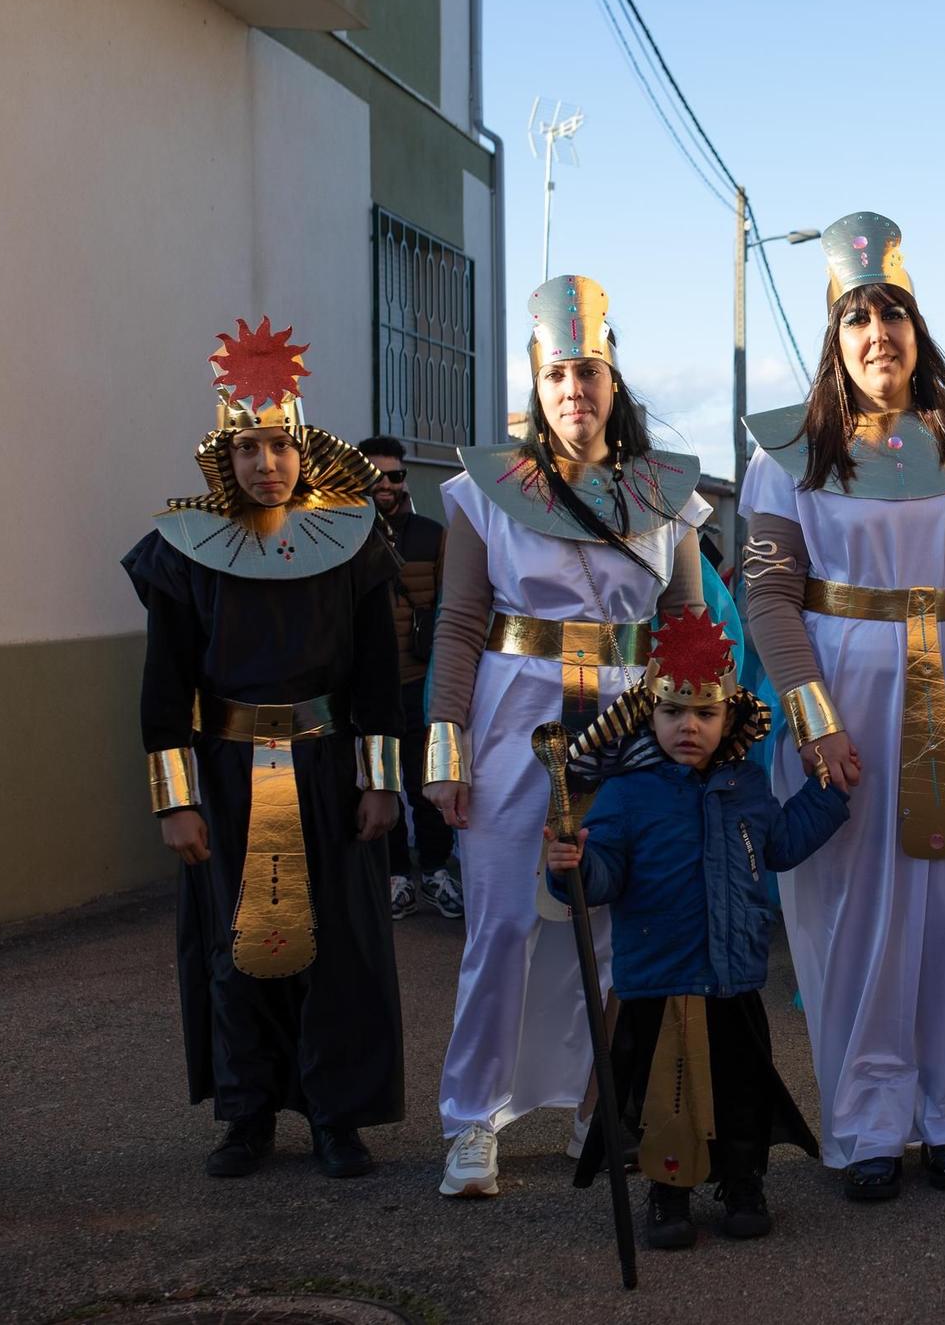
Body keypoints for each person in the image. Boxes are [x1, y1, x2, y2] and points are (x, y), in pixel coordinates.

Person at [738, 212, 945, 1200]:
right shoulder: (785, 454)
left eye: (892, 314)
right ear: (833, 335)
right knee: (848, 914)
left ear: (916, 329)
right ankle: (863, 1125)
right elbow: (767, 591)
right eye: (857, 317)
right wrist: (814, 716)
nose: (877, 334)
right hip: (839, 691)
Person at [425, 275, 713, 1198]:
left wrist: (698, 740)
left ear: (613, 380)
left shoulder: (668, 496)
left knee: (622, 924)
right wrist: (446, 752)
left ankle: (603, 1103)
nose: (574, 390)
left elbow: (687, 630)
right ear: (536, 384)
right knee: (504, 923)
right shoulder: (483, 492)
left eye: (589, 371)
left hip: (632, 722)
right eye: (558, 374)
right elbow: (459, 624)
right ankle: (473, 1121)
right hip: (518, 723)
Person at [123, 317, 405, 1179]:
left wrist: (381, 780)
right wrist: (175, 800)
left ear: (303, 448)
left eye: (279, 444)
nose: (265, 462)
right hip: (226, 771)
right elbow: (164, 689)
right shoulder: (186, 554)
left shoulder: (350, 544)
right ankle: (245, 1113)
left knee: (337, 943)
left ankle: (336, 1115)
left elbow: (376, 675)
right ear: (224, 456)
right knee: (231, 947)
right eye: (248, 446)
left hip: (326, 768)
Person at [543, 606, 847, 1248]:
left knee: (739, 1091)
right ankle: (669, 1193)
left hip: (732, 977)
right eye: (673, 712)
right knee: (663, 1099)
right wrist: (570, 866)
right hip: (658, 979)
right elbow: (604, 877)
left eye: (705, 714)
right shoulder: (628, 793)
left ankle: (743, 1182)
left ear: (729, 717)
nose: (688, 726)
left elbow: (783, 845)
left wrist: (831, 795)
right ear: (648, 713)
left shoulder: (747, 785)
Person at [356, 435, 460, 921]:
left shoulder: (431, 534)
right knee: (380, 781)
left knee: (427, 781)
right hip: (368, 683)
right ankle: (395, 875)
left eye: (395, 475)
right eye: (375, 474)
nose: (385, 483)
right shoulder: (342, 533)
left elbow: (453, 610)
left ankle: (436, 870)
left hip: (422, 680)